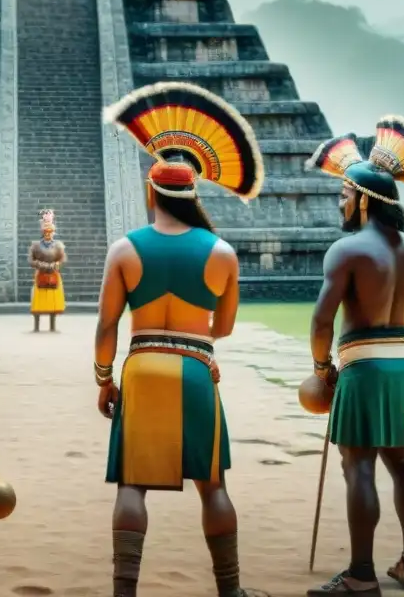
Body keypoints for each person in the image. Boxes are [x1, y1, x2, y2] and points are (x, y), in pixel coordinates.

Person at [95, 81, 264, 597]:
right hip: (195, 369)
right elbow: (226, 327)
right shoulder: (222, 253)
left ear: (152, 192)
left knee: (132, 484)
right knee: (213, 485)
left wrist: (104, 379)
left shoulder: (125, 249)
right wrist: (195, 346)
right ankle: (229, 590)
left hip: (142, 367)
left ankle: (125, 591)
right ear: (193, 196)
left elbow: (106, 326)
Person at [302, 118, 404, 595]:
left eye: (344, 194)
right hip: (402, 366)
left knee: (358, 464)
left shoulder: (346, 251)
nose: (340, 203)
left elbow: (322, 322)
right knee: (401, 464)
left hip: (361, 368)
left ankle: (361, 574)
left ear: (363, 199)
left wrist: (323, 369)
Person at [29, 208, 66, 332]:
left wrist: (55, 264)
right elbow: (31, 260)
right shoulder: (35, 245)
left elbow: (62, 259)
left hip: (53, 274)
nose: (48, 233)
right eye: (46, 231)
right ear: (43, 232)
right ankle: (36, 326)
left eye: (50, 231)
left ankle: (52, 326)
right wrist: (42, 265)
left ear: (53, 232)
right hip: (41, 274)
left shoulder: (58, 246)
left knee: (53, 302)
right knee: (38, 302)